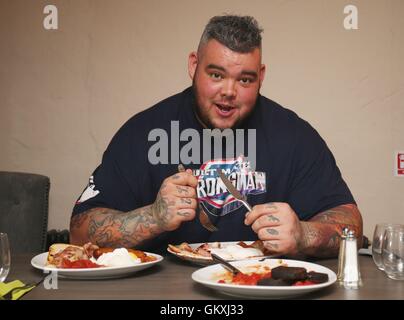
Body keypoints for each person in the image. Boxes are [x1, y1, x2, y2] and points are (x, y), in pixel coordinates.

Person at [70, 15, 363, 258]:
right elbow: (80, 230)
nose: (229, 92)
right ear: (193, 66)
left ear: (261, 76)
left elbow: (351, 226)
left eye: (245, 79)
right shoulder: (144, 132)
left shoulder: (294, 136)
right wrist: (154, 217)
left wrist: (304, 234)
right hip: (165, 291)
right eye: (216, 75)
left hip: (263, 286)